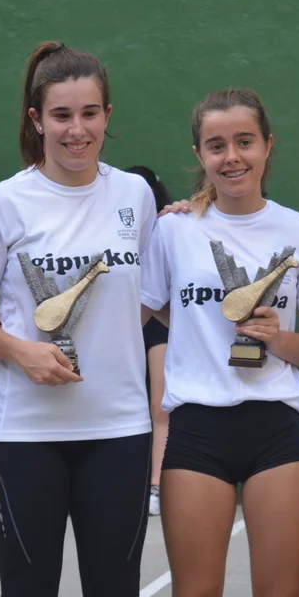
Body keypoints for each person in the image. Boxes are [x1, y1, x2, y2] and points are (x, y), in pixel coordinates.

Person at [0, 41, 156, 597]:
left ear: (107, 115)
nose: (78, 130)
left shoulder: (135, 196)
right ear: (36, 119)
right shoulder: (2, 205)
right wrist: (22, 351)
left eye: (90, 113)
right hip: (23, 437)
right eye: (62, 115)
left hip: (118, 430)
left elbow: (147, 296)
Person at [140, 88, 299, 597]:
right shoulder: (173, 231)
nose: (232, 157)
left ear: (267, 146)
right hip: (197, 431)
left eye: (244, 142)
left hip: (276, 431)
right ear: (199, 155)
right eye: (216, 145)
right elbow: (150, 311)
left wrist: (277, 338)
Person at [126, 165, 172, 517]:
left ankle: (157, 485)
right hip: (117, 317)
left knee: (160, 405)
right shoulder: (109, 221)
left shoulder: (169, 224)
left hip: (157, 319)